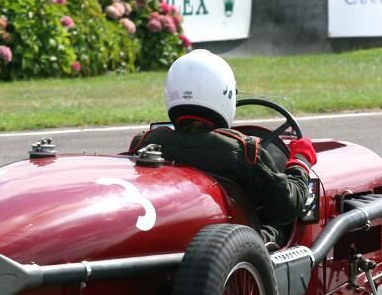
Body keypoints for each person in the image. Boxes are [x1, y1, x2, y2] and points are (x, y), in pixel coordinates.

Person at [126, 50, 316, 247]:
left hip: (167, 239)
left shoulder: (145, 144)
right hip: (232, 251)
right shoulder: (244, 153)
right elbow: (288, 205)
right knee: (280, 224)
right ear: (225, 93)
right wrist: (300, 162)